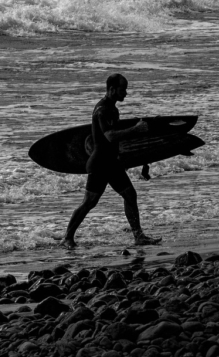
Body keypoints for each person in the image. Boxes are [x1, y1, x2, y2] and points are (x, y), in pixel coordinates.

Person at [62, 73, 162, 249]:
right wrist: (136, 129)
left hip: (110, 162)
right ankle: (67, 238)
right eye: (123, 89)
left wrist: (141, 158)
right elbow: (110, 136)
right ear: (112, 89)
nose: (126, 93)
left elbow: (114, 140)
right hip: (100, 164)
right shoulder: (104, 109)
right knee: (90, 202)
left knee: (129, 195)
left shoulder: (110, 108)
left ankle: (138, 236)